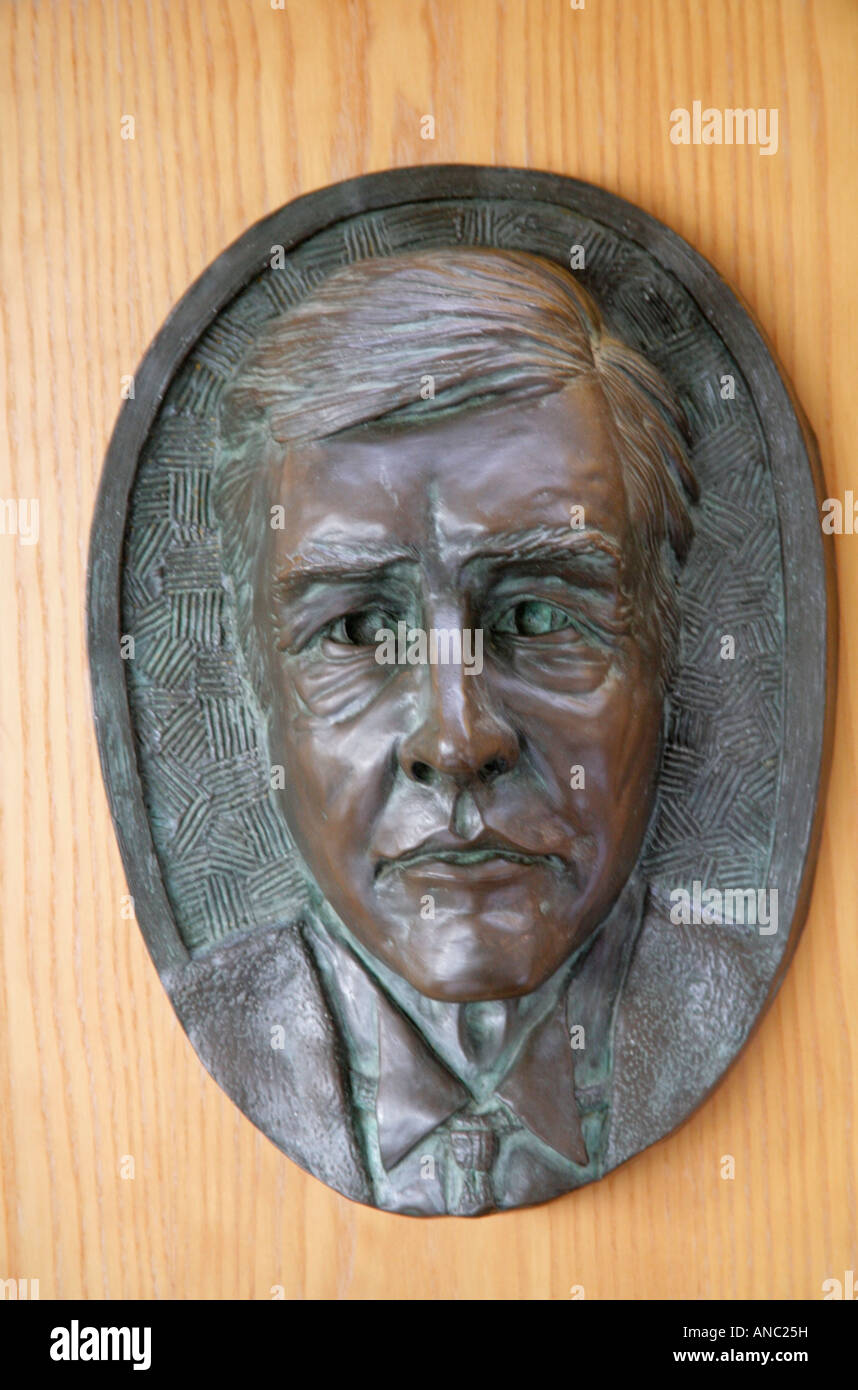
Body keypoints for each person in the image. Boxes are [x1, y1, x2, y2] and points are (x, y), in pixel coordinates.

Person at [172, 247, 698, 1215]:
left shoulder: (748, 1012)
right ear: (255, 690)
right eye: (360, 631)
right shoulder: (192, 1050)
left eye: (540, 617)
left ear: (665, 646)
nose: (455, 740)